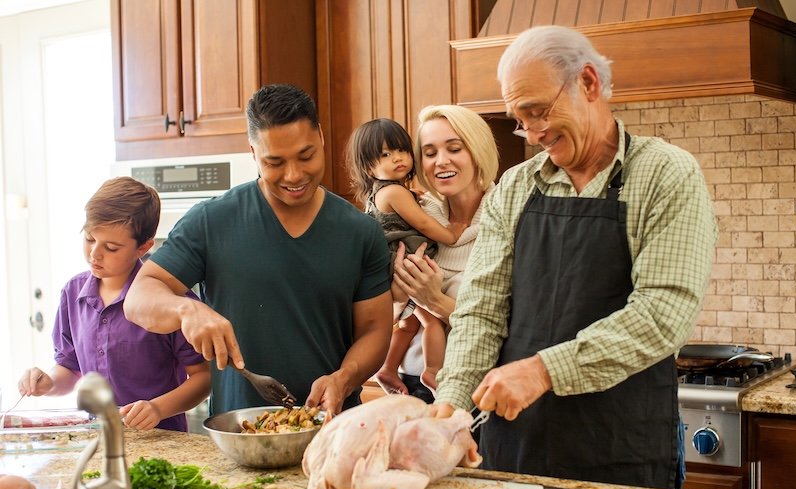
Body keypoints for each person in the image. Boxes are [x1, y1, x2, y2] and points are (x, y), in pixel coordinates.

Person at [432, 25, 717, 489]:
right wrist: (453, 404)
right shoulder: (516, 186)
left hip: (621, 453)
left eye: (537, 111)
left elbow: (664, 313)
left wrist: (544, 371)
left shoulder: (665, 174)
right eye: (519, 119)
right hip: (512, 453)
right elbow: (481, 310)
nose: (531, 133)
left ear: (588, 83)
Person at [123, 84, 393, 417]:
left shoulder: (361, 232)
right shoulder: (212, 222)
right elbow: (138, 299)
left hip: (334, 433)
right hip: (238, 435)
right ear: (253, 153)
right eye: (274, 162)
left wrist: (345, 377)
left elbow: (374, 329)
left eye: (306, 156)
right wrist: (186, 310)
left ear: (321, 137)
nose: (294, 175)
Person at [17, 177, 210, 432]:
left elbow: (204, 378)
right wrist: (48, 383)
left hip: (161, 440)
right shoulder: (72, 293)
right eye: (89, 239)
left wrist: (157, 409)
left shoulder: (171, 301)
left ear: (144, 247)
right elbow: (70, 367)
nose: (95, 254)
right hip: (94, 438)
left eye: (111, 247)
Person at [376, 104, 498, 402]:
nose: (441, 162)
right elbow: (389, 313)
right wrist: (398, 296)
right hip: (411, 383)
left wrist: (435, 300)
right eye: (429, 153)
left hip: (483, 386)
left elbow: (510, 327)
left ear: (478, 151)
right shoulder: (414, 216)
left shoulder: (507, 219)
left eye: (454, 148)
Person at [346, 118, 466, 391]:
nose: (397, 158)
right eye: (386, 154)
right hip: (406, 262)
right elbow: (424, 224)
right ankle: (433, 370)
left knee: (409, 323)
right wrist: (452, 234)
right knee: (432, 320)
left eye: (401, 150)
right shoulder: (395, 192)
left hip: (392, 265)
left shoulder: (384, 193)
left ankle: (388, 369)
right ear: (368, 166)